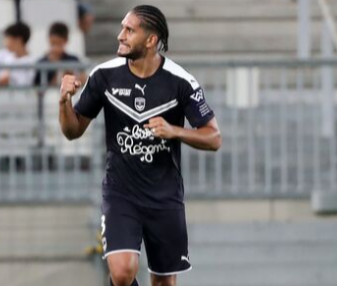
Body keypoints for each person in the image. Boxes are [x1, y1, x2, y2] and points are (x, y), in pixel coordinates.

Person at [59, 5, 221, 286]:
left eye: (129, 30)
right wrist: (64, 102)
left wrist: (174, 131)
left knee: (162, 282)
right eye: (122, 27)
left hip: (165, 197)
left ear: (151, 40)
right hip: (121, 194)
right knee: (122, 273)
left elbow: (213, 137)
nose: (120, 35)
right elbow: (73, 131)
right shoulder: (104, 75)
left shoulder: (181, 81)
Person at [0, 22, 34, 87]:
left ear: (18, 40)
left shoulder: (28, 62)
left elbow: (1, 82)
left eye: (7, 38)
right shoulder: (7, 53)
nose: (5, 42)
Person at [33, 22, 84, 86]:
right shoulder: (42, 62)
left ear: (66, 41)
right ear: (49, 39)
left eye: (59, 44)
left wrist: (71, 74)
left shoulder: (73, 60)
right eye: (53, 43)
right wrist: (59, 72)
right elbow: (37, 90)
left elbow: (83, 80)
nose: (55, 47)